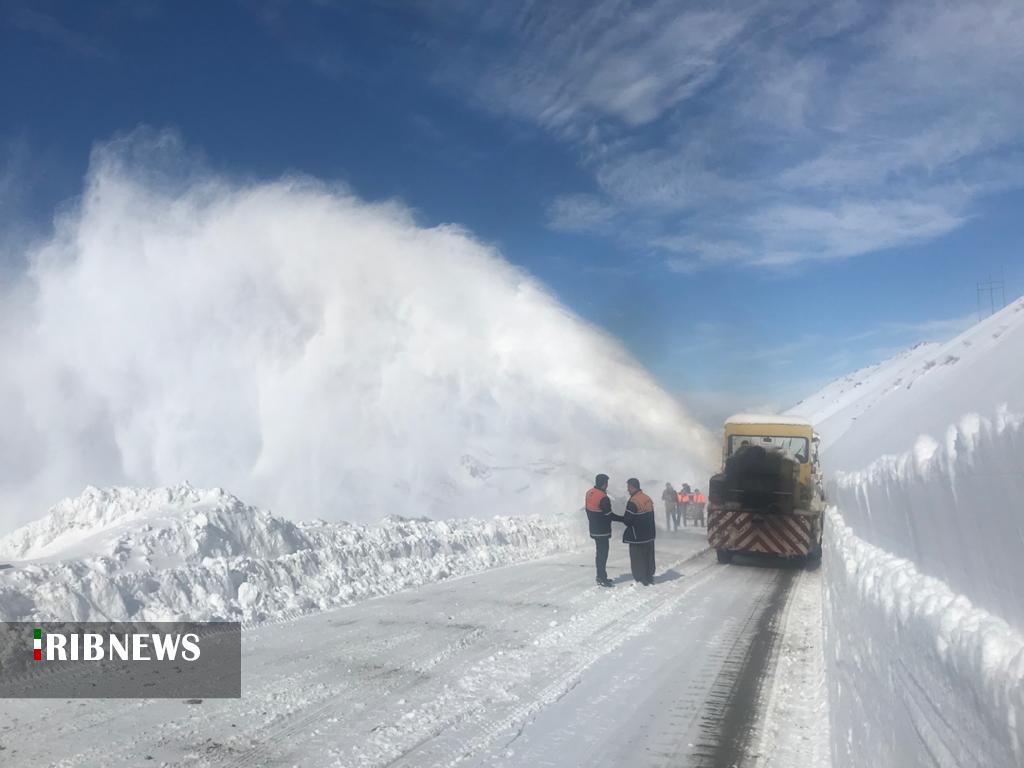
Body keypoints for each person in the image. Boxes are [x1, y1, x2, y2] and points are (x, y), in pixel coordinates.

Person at [622, 478, 656, 585]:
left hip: (637, 536)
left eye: (628, 487)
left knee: (637, 558)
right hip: (649, 534)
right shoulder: (647, 498)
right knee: (648, 556)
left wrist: (618, 518)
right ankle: (649, 576)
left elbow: (627, 520)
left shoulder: (633, 502)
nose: (627, 490)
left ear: (632, 487)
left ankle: (641, 578)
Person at [585, 474, 617, 587]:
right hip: (602, 531)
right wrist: (623, 519)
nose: (607, 485)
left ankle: (600, 576)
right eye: (606, 483)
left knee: (599, 554)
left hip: (593, 529)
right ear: (604, 484)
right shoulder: (603, 497)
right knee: (603, 554)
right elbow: (609, 515)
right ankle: (602, 577)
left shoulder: (589, 493)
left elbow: (588, 509)